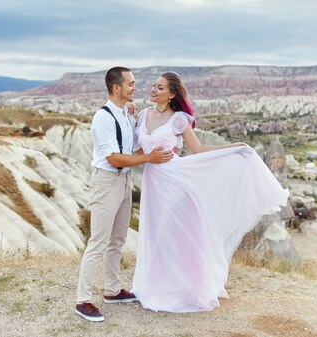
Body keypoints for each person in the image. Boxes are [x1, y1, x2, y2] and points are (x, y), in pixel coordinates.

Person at [131, 71, 289, 313]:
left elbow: (198, 148)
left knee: (175, 234)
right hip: (153, 183)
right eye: (154, 85)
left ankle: (188, 287)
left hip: (176, 183)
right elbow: (137, 149)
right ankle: (158, 285)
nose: (154, 90)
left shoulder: (179, 120)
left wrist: (233, 149)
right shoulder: (142, 116)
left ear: (172, 94)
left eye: (160, 88)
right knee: (156, 234)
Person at [75, 67, 175, 322]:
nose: (135, 88)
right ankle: (83, 299)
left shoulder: (126, 115)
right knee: (98, 241)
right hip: (107, 181)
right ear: (116, 88)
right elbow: (113, 157)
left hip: (124, 180)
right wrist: (148, 159)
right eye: (130, 84)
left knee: (117, 239)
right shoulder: (104, 117)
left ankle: (112, 290)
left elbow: (133, 145)